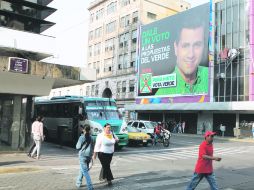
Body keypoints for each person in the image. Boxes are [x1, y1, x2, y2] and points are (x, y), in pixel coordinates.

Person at [156, 16, 208, 95]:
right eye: (185, 46)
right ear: (176, 48)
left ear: (204, 46)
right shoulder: (162, 92)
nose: (191, 55)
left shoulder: (211, 76)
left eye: (197, 45)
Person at [76, 125, 94, 190]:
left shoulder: (82, 137)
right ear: (89, 130)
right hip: (89, 156)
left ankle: (90, 187)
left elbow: (77, 147)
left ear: (83, 130)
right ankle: (78, 183)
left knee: (85, 171)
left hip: (82, 156)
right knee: (82, 169)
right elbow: (92, 147)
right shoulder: (91, 137)